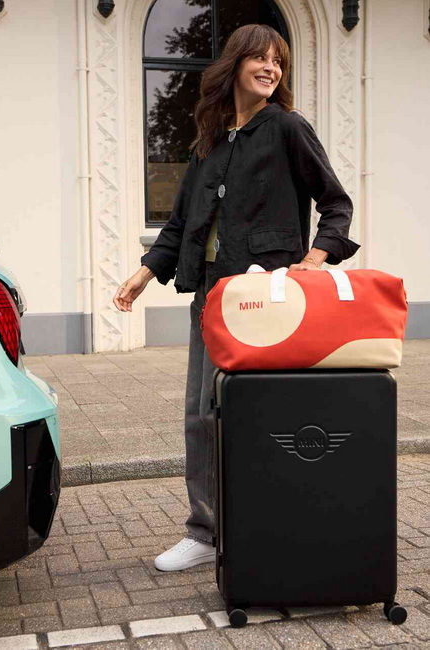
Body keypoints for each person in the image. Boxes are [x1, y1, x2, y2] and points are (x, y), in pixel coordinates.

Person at [113, 24, 360, 572]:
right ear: (235, 64)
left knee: (259, 412)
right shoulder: (210, 140)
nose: (271, 68)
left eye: (279, 61)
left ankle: (267, 526)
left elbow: (336, 203)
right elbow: (181, 224)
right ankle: (205, 532)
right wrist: (144, 274)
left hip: (263, 299)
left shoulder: (288, 128)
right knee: (201, 415)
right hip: (211, 296)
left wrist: (314, 259)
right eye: (261, 58)